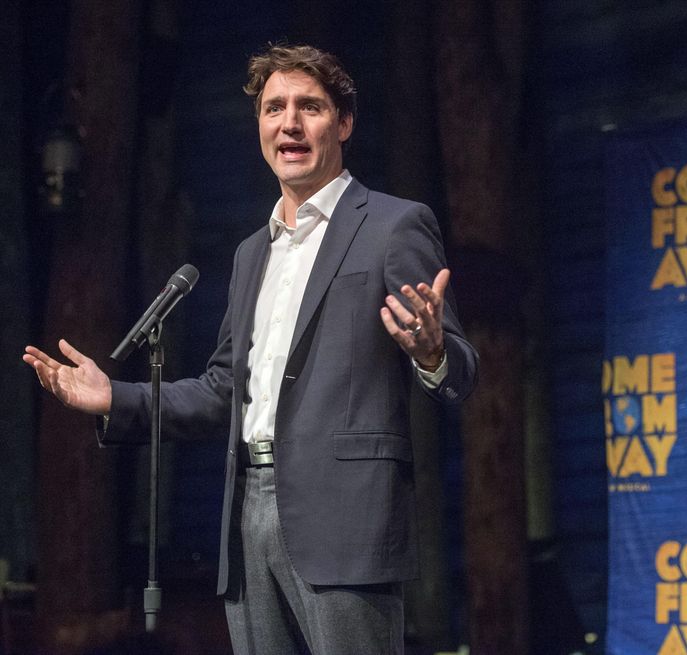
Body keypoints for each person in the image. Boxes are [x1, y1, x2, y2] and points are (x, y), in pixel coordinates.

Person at [23, 43, 478, 655]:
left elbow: (461, 371)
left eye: (309, 107)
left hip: (345, 520)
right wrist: (116, 398)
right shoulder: (250, 254)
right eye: (274, 109)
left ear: (343, 123)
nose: (289, 123)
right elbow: (221, 393)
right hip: (247, 517)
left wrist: (430, 351)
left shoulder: (394, 225)